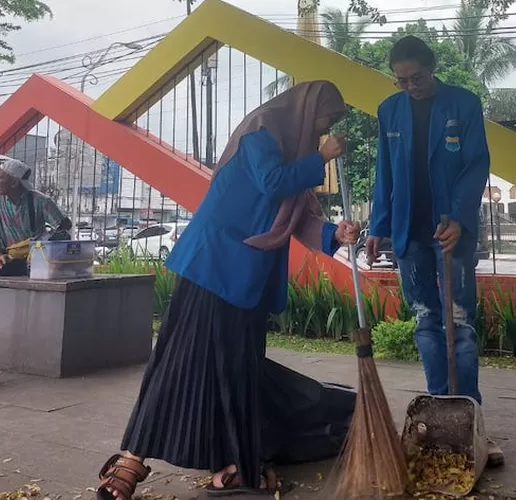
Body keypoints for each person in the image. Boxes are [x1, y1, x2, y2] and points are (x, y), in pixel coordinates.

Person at [95, 80, 359, 500]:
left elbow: (298, 217)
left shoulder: (295, 152)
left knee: (237, 366)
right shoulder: (263, 131)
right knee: (182, 361)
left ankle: (234, 460)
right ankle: (133, 460)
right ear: (309, 108)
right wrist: (319, 158)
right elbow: (273, 183)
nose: (326, 130)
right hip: (213, 265)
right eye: (328, 119)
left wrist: (335, 233)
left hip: (248, 276)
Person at [365, 36, 504, 465]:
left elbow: (475, 163)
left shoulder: (463, 103)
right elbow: (384, 175)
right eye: (401, 79)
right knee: (426, 321)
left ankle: (472, 424)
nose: (410, 86)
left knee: (459, 324)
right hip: (409, 236)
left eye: (417, 77)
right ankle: (440, 418)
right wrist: (378, 226)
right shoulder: (389, 110)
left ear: (432, 67)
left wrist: (460, 219)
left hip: (450, 234)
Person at [0, 158, 70, 276]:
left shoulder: (41, 201)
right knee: (3, 267)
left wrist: (48, 240)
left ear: (14, 183)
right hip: (8, 256)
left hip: (37, 255)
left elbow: (65, 226)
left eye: (0, 178)